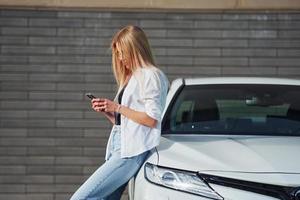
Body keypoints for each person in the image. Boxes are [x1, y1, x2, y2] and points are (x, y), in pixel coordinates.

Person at [70, 25, 169, 200]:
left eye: (123, 52)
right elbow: (127, 122)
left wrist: (116, 107)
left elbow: (152, 119)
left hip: (130, 153)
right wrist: (108, 112)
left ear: (135, 48)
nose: (121, 58)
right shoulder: (132, 77)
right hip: (119, 148)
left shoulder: (151, 75)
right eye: (118, 53)